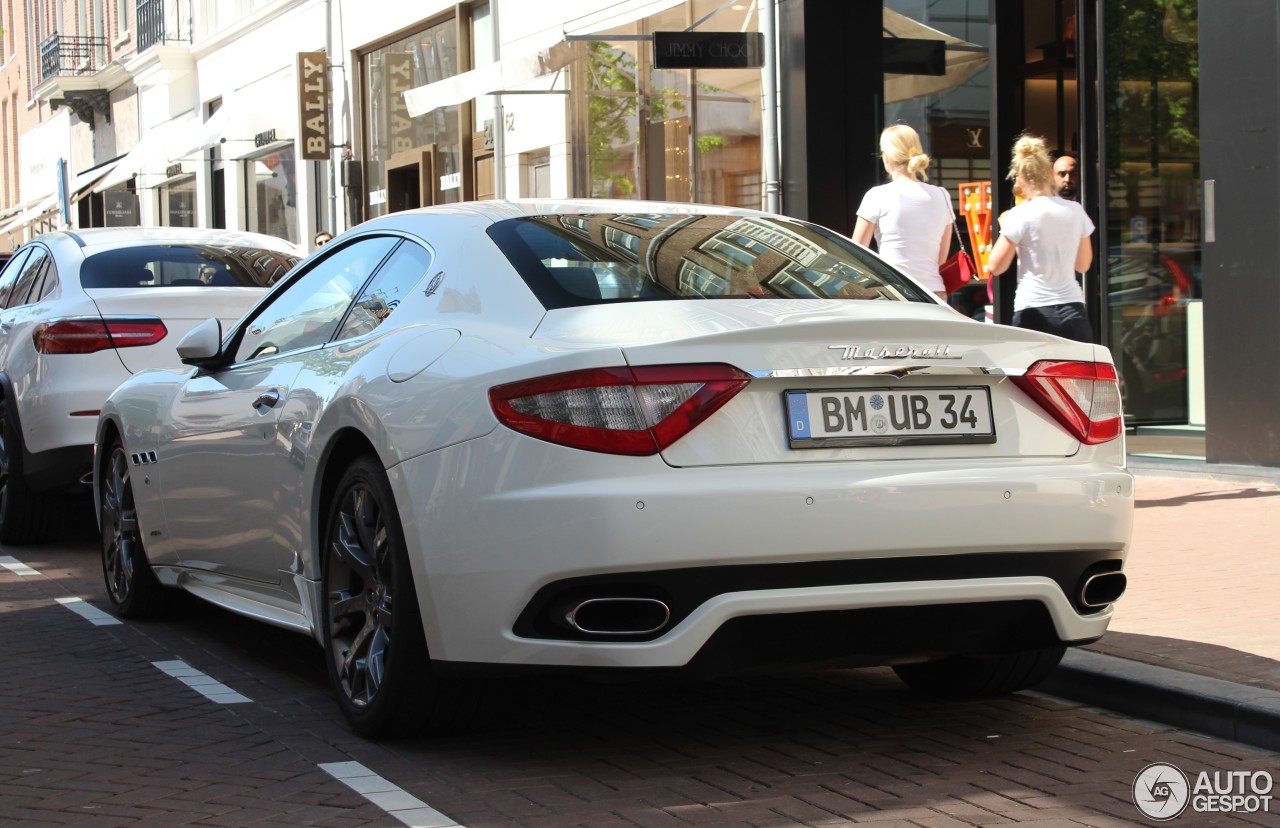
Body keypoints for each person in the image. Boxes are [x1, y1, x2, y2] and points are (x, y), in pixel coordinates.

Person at [985, 134, 1095, 342]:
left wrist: (1007, 228)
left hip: (1033, 309)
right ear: (1049, 175)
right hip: (1072, 309)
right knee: (1077, 373)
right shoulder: (1075, 210)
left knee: (1028, 374)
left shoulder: (1020, 214)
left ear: (1020, 179)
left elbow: (996, 265)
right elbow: (1083, 264)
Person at [852, 124, 954, 299]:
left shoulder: (877, 195)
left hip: (894, 291)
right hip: (935, 292)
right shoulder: (941, 195)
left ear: (887, 157)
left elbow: (855, 252)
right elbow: (941, 259)